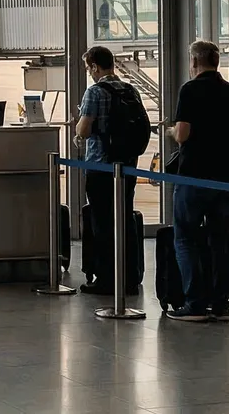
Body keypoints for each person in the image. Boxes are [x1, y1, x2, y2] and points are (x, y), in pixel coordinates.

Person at [163, 41, 229, 322]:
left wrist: (173, 131)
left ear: (194, 62)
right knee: (220, 239)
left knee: (185, 237)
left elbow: (183, 134)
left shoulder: (190, 90)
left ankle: (194, 303)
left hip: (194, 175)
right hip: (225, 177)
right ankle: (221, 303)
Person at [74, 45, 142, 295]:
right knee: (125, 220)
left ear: (94, 66)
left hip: (101, 166)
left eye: (88, 68)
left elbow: (83, 130)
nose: (89, 73)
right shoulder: (130, 89)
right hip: (127, 166)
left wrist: (77, 128)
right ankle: (130, 277)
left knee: (103, 223)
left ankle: (107, 279)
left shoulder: (95, 92)